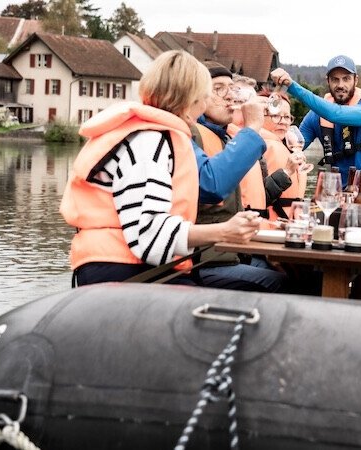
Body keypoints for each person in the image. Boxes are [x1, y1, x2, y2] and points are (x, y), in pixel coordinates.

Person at [60, 50, 263, 286]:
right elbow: (149, 234)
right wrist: (223, 231)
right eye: (206, 96)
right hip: (121, 271)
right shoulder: (148, 142)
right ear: (191, 100)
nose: (207, 103)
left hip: (132, 266)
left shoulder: (151, 134)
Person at [191, 63, 293, 292]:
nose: (229, 95)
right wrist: (254, 126)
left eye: (231, 88)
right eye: (218, 89)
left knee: (299, 271)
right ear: (198, 97)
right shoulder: (191, 134)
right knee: (284, 284)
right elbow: (211, 186)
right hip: (204, 258)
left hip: (233, 251)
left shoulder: (227, 138)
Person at [270, 55, 361, 189]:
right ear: (328, 81)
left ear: (356, 80)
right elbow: (291, 148)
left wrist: (291, 86)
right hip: (347, 193)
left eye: (346, 79)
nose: (340, 85)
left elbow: (336, 114)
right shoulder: (315, 117)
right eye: (335, 79)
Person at [258, 93, 309, 220]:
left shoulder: (288, 147)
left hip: (289, 222)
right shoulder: (256, 147)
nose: (283, 122)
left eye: (287, 117)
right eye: (275, 115)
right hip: (268, 224)